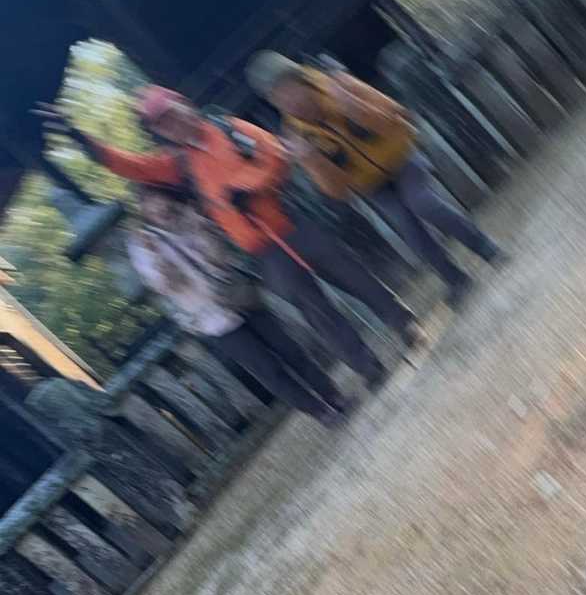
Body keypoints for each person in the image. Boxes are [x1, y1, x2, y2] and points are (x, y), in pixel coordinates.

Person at [37, 89, 422, 389]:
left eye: (172, 114)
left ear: (185, 106)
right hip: (261, 250)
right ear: (160, 133)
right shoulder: (178, 165)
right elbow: (131, 166)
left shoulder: (227, 127)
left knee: (351, 274)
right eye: (163, 125)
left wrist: (246, 185)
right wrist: (79, 138)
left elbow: (274, 153)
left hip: (291, 222)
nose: (172, 125)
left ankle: (401, 321)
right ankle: (366, 366)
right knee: (316, 310)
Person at [244, 52, 504, 307]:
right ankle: (455, 279)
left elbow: (394, 114)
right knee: (407, 227)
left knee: (423, 202)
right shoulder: (296, 136)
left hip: (400, 156)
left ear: (300, 79)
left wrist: (353, 106)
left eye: (288, 90)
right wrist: (314, 161)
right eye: (278, 98)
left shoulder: (337, 83)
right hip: (371, 184)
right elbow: (338, 192)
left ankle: (485, 247)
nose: (289, 101)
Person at [127, 186, 354, 427]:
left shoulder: (189, 215)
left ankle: (332, 395)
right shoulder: (142, 245)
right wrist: (157, 257)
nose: (157, 207)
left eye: (157, 199)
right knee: (267, 370)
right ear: (143, 211)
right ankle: (319, 411)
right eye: (149, 204)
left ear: (166, 197)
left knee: (290, 349)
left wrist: (202, 230)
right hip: (210, 317)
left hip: (238, 294)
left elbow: (221, 256)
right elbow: (166, 286)